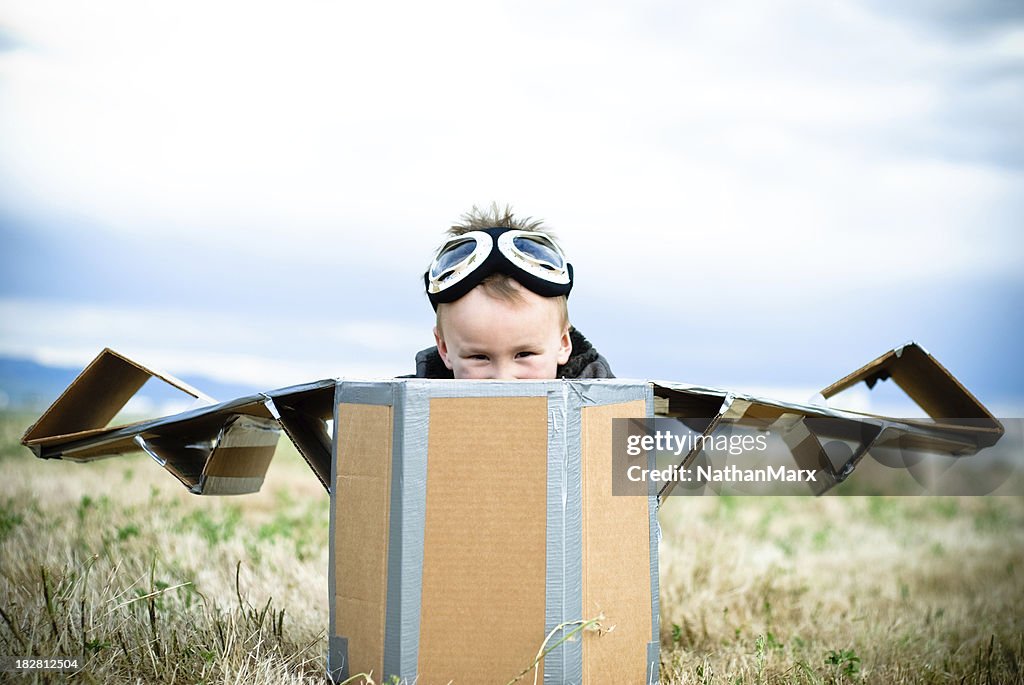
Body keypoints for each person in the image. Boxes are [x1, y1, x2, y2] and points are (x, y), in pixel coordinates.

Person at [413, 204, 614, 379]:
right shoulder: (404, 410)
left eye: (524, 354)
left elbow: (639, 424)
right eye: (479, 357)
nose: (504, 378)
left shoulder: (615, 405)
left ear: (563, 343)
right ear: (445, 348)